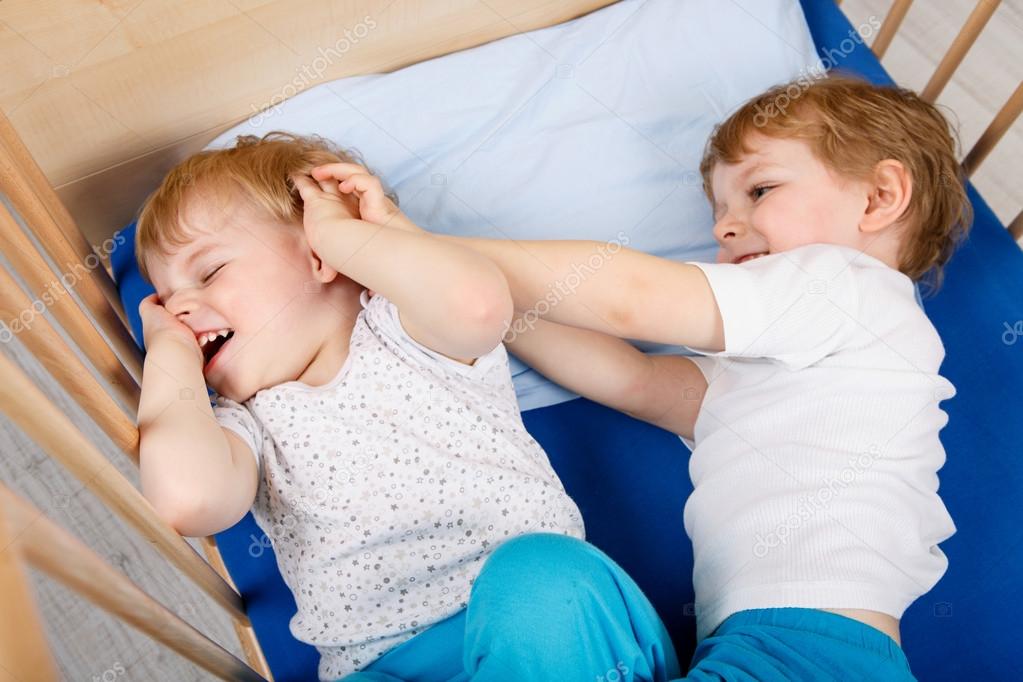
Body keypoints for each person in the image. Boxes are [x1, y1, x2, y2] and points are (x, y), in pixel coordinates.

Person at [407, 75, 970, 680]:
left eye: (759, 189)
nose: (723, 229)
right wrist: (481, 299)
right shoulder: (788, 365)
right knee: (537, 580)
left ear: (880, 196)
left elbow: (631, 297)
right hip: (748, 652)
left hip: (812, 653)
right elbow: (633, 379)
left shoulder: (850, 287)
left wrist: (421, 249)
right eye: (719, 211)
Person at [133, 132, 678, 681]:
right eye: (164, 299)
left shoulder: (407, 329)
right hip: (380, 663)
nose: (178, 307)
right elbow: (188, 499)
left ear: (321, 253)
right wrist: (170, 357)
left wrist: (354, 236)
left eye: (208, 272)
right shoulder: (240, 425)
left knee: (543, 576)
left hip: (541, 633)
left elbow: (479, 303)